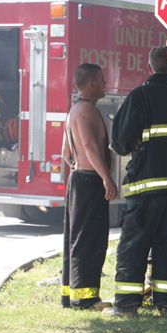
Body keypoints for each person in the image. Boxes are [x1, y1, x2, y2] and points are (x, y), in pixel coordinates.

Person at [103, 46, 167, 317]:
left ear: (149, 68)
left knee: (135, 243)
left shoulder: (140, 96)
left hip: (147, 185)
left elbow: (120, 142)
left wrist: (135, 142)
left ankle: (126, 304)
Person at [60, 64, 118, 310]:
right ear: (92, 83)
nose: (106, 84)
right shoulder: (87, 111)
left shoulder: (73, 110)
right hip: (89, 181)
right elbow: (90, 146)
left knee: (75, 238)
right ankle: (85, 298)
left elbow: (65, 151)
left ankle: (71, 294)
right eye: (103, 80)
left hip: (78, 180)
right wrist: (106, 177)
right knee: (90, 240)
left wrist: (78, 166)